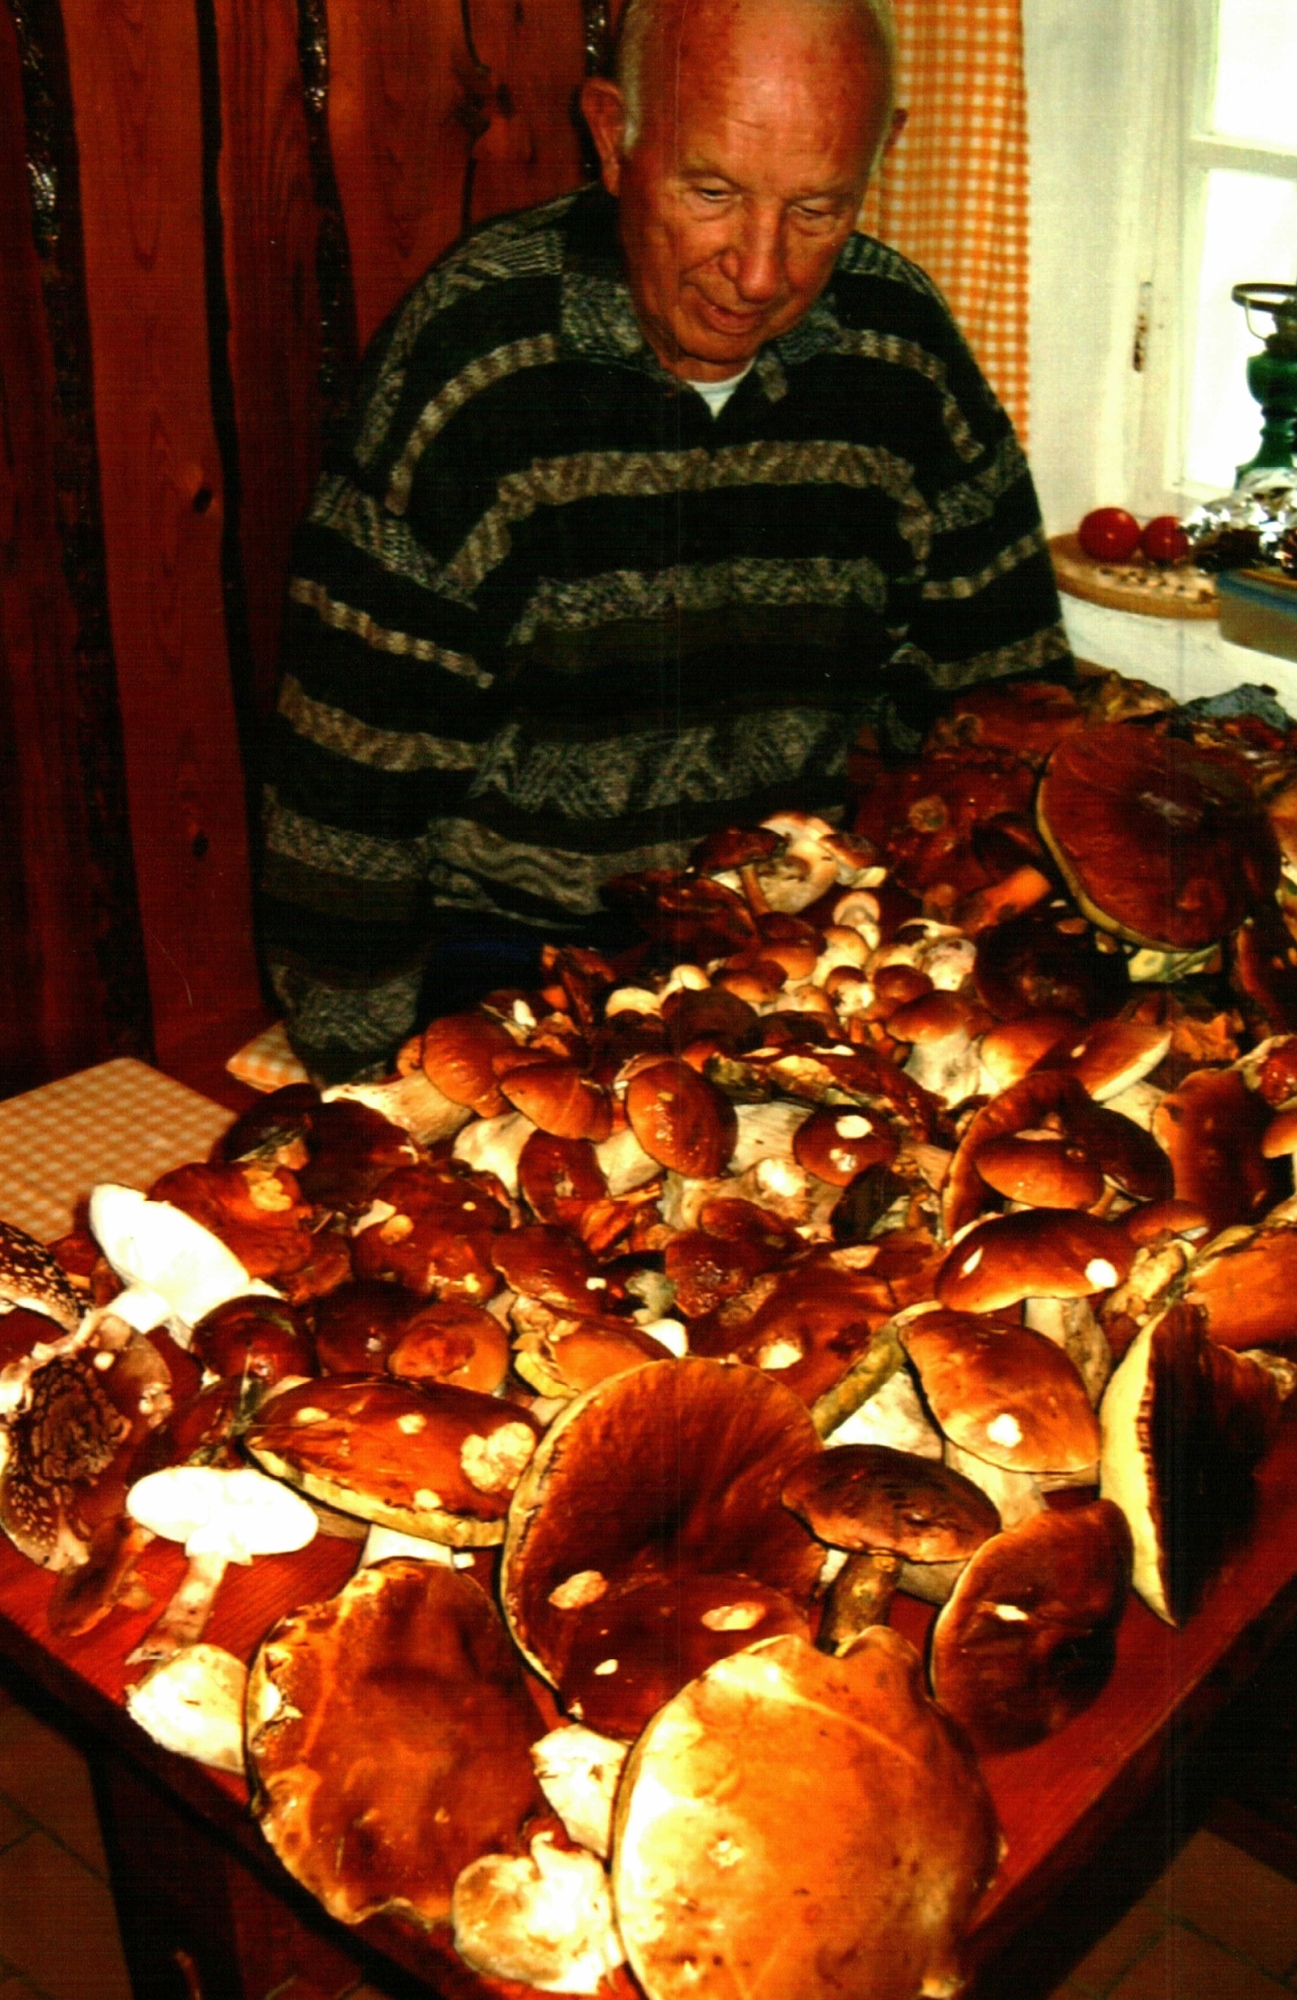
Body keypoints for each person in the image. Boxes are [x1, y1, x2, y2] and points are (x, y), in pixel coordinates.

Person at [262, 0, 1071, 1082]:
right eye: (712, 193)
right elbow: (346, 802)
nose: (760, 273)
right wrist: (361, 1090)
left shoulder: (900, 355)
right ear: (611, 137)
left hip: (798, 952)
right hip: (518, 963)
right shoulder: (478, 372)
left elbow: (1010, 708)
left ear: (882, 154)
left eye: (819, 208)